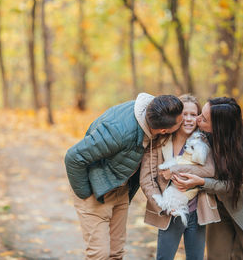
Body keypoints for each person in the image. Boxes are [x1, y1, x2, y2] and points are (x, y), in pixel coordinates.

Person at [64, 93, 184, 260]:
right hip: (95, 191)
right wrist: (86, 194)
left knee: (116, 253)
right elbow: (73, 158)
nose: (183, 122)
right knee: (99, 254)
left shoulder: (154, 112)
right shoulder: (118, 132)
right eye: (180, 122)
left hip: (120, 189)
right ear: (164, 130)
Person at [172, 97, 243, 260]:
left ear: (218, 127)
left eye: (203, 118)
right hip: (219, 202)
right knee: (217, 254)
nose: (197, 119)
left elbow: (234, 186)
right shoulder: (205, 133)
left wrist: (201, 182)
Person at [140, 94, 220, 260]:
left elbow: (209, 171)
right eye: (185, 114)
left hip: (198, 211)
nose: (189, 119)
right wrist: (163, 206)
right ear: (176, 117)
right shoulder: (159, 141)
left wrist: (176, 169)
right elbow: (147, 179)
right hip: (171, 212)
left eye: (194, 114)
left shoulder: (202, 141)